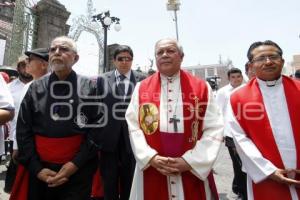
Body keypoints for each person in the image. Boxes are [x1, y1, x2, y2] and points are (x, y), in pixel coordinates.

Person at [125, 38, 223, 200]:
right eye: (159, 52)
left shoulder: (201, 87)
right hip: (153, 168)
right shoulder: (141, 87)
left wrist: (191, 161)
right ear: (155, 58)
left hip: (190, 167)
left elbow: (214, 127)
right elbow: (133, 126)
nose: (164, 55)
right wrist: (150, 157)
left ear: (181, 56)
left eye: (170, 51)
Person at [11, 36, 99, 200]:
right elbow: (23, 130)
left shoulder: (91, 88)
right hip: (40, 170)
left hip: (77, 170)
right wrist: (37, 169)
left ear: (76, 58)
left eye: (64, 49)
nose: (57, 52)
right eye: (53, 49)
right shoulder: (35, 88)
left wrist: (75, 164)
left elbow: (97, 130)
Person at [228, 40, 300, 200]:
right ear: (251, 65)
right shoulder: (238, 98)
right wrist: (268, 171)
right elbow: (240, 139)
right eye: (261, 58)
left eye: (273, 56)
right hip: (267, 176)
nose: (268, 62)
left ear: (281, 61)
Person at [93, 45, 146, 200]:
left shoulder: (143, 80)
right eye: (120, 59)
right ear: (114, 61)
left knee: (130, 183)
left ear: (132, 60)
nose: (124, 62)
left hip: (134, 141)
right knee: (109, 183)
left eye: (128, 59)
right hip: (108, 142)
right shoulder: (102, 80)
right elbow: (96, 108)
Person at [216, 67, 247, 199]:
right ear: (229, 79)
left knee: (247, 163)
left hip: (247, 132)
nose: (236, 80)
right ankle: (240, 190)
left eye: (238, 77)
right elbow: (218, 112)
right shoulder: (223, 92)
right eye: (233, 77)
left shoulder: (248, 88)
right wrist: (221, 132)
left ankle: (244, 188)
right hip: (230, 133)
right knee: (237, 163)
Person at [4, 56, 33, 193]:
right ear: (18, 68)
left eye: (28, 65)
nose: (26, 69)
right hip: (11, 134)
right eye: (23, 66)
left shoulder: (40, 86)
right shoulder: (8, 88)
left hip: (31, 134)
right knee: (15, 164)